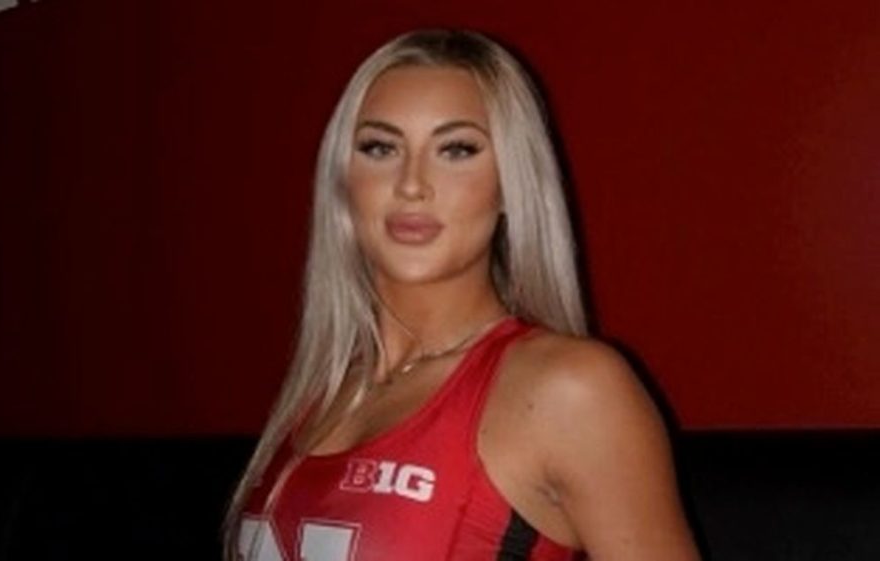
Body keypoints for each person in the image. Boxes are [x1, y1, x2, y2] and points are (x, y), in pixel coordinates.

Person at [224, 29, 701, 561]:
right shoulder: (321, 392)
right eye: (380, 148)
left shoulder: (571, 389)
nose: (411, 184)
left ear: (510, 185)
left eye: (457, 150)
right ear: (343, 178)